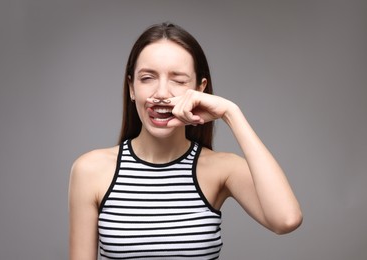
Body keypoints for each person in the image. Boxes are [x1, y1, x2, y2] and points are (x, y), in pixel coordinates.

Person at [68, 22, 303, 259]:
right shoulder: (90, 171)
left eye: (178, 80)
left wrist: (231, 113)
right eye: (147, 78)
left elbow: (286, 219)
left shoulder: (222, 169)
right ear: (131, 87)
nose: (161, 93)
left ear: (200, 89)